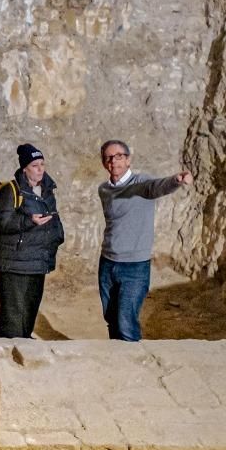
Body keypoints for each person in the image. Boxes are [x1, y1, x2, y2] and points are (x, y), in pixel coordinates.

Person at [96, 139, 192, 342]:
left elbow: (157, 186)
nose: (114, 162)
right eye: (109, 158)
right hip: (107, 262)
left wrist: (176, 180)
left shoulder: (141, 184)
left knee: (126, 321)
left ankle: (131, 365)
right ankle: (118, 360)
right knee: (111, 318)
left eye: (119, 156)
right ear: (104, 163)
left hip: (134, 266)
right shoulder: (104, 189)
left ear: (128, 160)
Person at [0, 143, 65, 338]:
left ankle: (24, 342)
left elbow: (54, 218)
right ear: (24, 169)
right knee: (13, 312)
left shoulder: (47, 190)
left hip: (38, 260)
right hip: (15, 262)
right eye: (34, 165)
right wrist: (28, 220)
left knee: (31, 307)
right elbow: (3, 221)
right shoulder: (12, 191)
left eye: (42, 164)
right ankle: (9, 349)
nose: (40, 169)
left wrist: (58, 236)